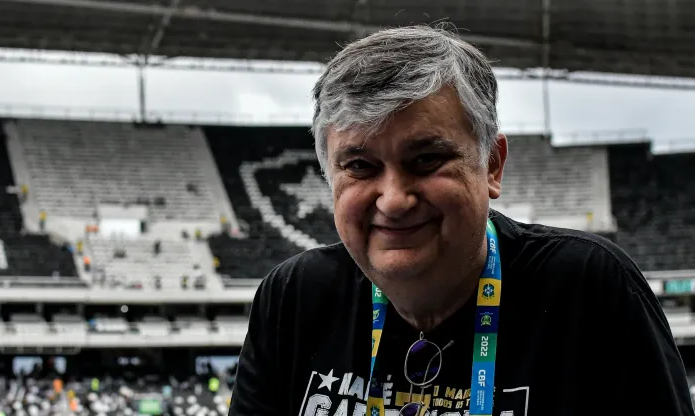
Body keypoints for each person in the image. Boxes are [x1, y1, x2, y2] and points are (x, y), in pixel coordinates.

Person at [229, 25, 694, 416]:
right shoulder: (293, 298)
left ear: (491, 164)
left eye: (427, 159)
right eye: (360, 167)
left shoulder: (591, 289)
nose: (393, 200)